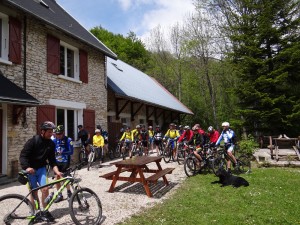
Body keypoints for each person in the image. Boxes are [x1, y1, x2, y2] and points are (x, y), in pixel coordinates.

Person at [19, 121, 63, 222]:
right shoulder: (33, 141)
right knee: (34, 193)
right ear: (42, 131)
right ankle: (34, 213)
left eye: (52, 132)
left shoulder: (51, 144)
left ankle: (45, 211)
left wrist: (57, 171)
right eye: (49, 132)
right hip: (31, 171)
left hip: (42, 169)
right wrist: (26, 167)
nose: (51, 134)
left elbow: (52, 161)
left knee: (45, 189)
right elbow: (23, 155)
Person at [52, 125, 73, 203]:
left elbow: (71, 152)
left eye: (60, 134)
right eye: (57, 134)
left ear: (63, 133)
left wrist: (63, 152)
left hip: (65, 162)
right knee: (57, 178)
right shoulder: (54, 140)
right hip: (56, 162)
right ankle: (59, 194)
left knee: (64, 177)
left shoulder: (68, 140)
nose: (58, 135)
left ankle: (69, 192)